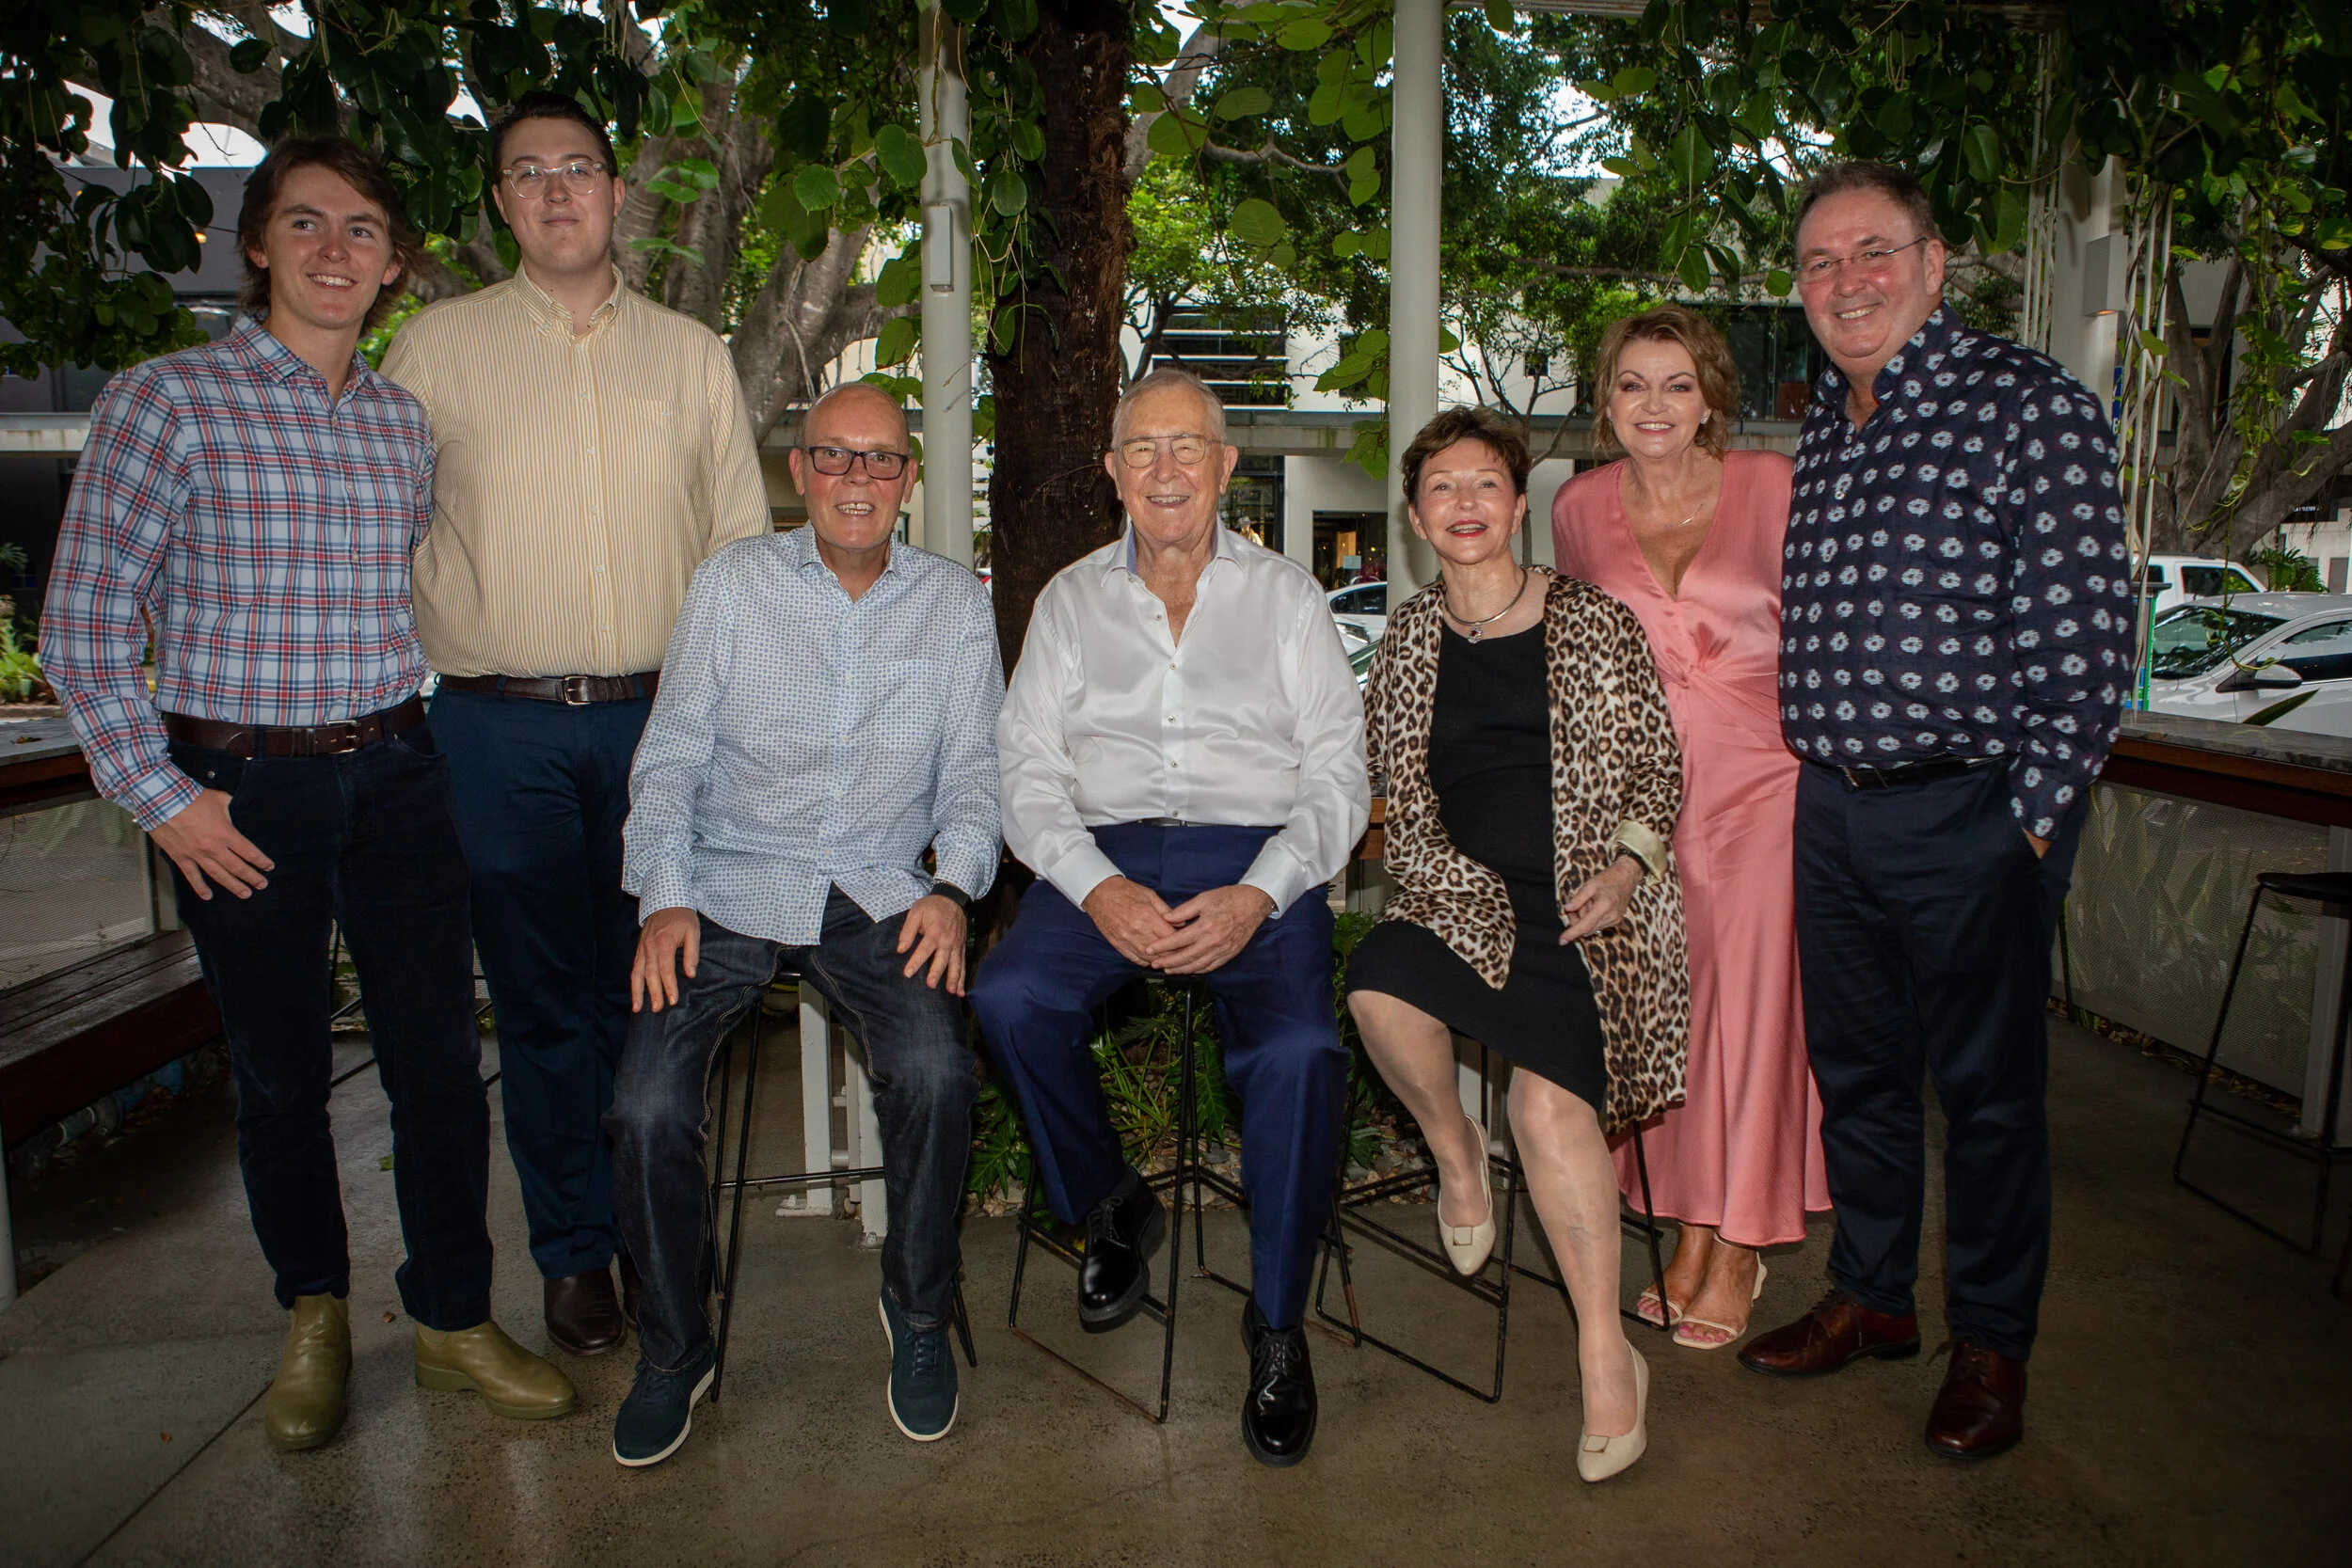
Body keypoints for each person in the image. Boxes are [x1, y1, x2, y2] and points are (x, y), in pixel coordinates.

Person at [41, 137, 575, 1451]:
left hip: (397, 769)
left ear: (391, 265)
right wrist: (164, 797)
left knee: (441, 1063)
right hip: (237, 787)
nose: (335, 249)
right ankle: (314, 1313)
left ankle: (453, 1317)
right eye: (306, 224)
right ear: (260, 245)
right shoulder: (165, 401)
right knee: (281, 1075)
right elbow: (83, 626)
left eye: (361, 230)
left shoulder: (400, 423)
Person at [1740, 160, 2133, 1461]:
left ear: (1933, 259)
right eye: (1818, 264)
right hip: (1834, 813)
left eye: (1872, 252)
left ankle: (1990, 1341)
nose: (1846, 281)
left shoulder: (2027, 407)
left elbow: (2086, 648)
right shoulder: (1830, 431)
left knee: (1991, 1096)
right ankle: (1871, 1295)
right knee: (1857, 1077)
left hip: (1969, 812)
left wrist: (2022, 822)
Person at [381, 91, 770, 1358]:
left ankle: (661, 1231)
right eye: (528, 173)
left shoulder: (690, 354)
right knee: (545, 1009)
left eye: (580, 169)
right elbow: (380, 533)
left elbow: (736, 555)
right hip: (498, 730)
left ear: (615, 194)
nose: (557, 190)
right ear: (501, 202)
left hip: (663, 723)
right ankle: (575, 1252)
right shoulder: (434, 351)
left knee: (660, 997)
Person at [970, 367, 1369, 1469]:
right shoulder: (1068, 600)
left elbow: (1339, 775)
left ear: (1226, 464)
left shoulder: (1287, 598)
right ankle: (1111, 1201)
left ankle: (1276, 1321)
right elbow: (1026, 770)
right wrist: (1094, 884)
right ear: (1110, 471)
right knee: (1006, 996)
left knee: (1296, 1052)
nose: (1163, 468)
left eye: (1185, 445)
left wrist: (1261, 890)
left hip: (1257, 858)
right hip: (1107, 856)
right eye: (1140, 448)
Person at [602, 382, 1001, 1465]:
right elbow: (673, 754)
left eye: (879, 461)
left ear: (909, 480)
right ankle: (675, 1347)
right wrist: (664, 892)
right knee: (641, 1104)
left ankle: (917, 1311)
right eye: (835, 457)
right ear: (800, 472)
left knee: (933, 1071)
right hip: (726, 883)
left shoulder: (955, 605)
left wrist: (952, 889)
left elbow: (973, 775)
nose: (856, 480)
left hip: (878, 888)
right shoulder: (732, 584)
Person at [1346, 406, 1690, 1484]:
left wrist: (1627, 869)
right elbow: (1388, 787)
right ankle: (1456, 1156)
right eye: (1441, 488)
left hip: (1591, 915)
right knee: (1374, 985)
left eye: (1483, 484)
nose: (1463, 505)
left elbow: (1655, 770)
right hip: (1459, 899)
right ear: (1413, 515)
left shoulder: (1593, 619)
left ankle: (1604, 1354)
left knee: (1545, 1104)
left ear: (1516, 504)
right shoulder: (1404, 639)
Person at [1551, 308, 1830, 1350]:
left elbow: (1826, 631)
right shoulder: (1577, 507)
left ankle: (1735, 1235)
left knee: (1751, 1010)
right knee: (1663, 1008)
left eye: (1676, 383)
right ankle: (1684, 1217)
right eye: (1632, 384)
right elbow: (1579, 666)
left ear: (1711, 396)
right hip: (1642, 802)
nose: (1654, 405)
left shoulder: (1775, 484)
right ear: (1606, 399)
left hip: (1767, 783)